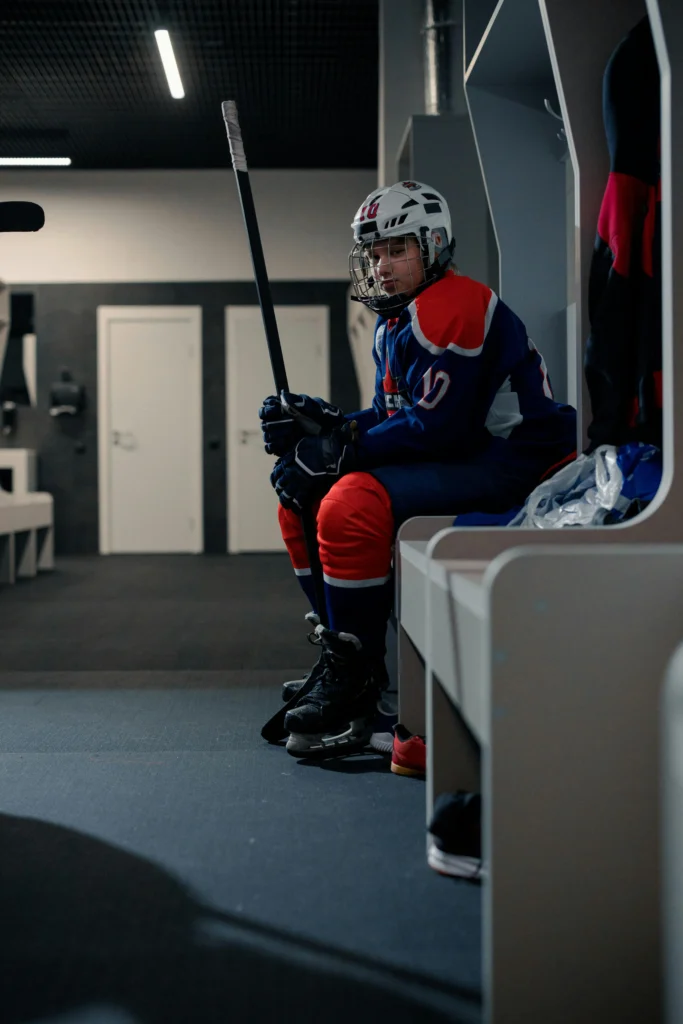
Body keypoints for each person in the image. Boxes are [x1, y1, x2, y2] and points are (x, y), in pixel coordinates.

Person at [259, 181, 577, 757]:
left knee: (350, 501)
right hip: (469, 454)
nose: (382, 266)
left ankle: (354, 679)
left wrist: (341, 448)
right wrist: (328, 427)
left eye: (396, 249)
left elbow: (439, 429)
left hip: (517, 463)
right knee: (295, 493)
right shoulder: (397, 320)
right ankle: (345, 658)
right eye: (374, 253)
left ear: (432, 245)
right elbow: (394, 416)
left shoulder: (452, 305)